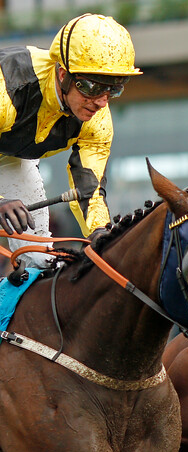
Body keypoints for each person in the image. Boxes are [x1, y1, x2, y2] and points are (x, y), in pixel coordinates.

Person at [0, 13, 141, 268]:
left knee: (41, 260)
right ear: (63, 74)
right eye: (92, 87)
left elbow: (90, 190)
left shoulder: (96, 118)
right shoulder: (6, 90)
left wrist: (100, 233)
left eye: (114, 88)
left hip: (11, 158)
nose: (100, 101)